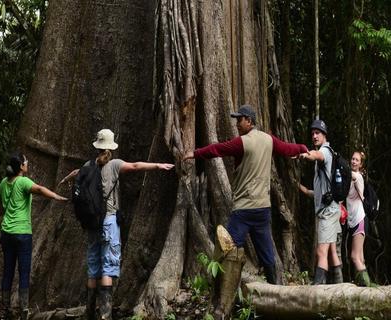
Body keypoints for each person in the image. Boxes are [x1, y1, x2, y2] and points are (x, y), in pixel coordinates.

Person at [182, 104, 308, 319]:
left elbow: (216, 150)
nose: (237, 123)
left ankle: (223, 304)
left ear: (249, 121)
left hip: (243, 210)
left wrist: (193, 154)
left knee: (229, 252)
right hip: (263, 209)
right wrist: (304, 148)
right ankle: (277, 297)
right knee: (267, 255)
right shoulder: (269, 139)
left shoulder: (242, 142)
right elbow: (288, 149)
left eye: (240, 119)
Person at [59, 128, 174, 320]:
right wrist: (157, 165)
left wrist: (66, 179)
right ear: (111, 148)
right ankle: (105, 315)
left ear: (97, 146)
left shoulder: (88, 166)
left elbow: (75, 173)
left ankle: (89, 313)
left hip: (92, 224)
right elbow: (136, 166)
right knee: (108, 266)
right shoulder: (114, 165)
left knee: (93, 266)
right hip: (109, 222)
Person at [0, 152, 68, 319]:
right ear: (21, 166)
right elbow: (39, 189)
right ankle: (24, 311)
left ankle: (5, 310)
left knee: (7, 271)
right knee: (24, 271)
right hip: (22, 233)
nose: (27, 162)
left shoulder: (5, 182)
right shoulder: (22, 181)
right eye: (25, 161)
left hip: (7, 233)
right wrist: (56, 196)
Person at [298, 119, 342, 285]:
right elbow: (317, 192)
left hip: (328, 212)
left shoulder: (325, 151)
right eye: (313, 134)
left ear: (324, 135)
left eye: (318, 133)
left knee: (321, 252)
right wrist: (299, 187)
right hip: (331, 209)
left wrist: (305, 154)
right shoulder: (325, 152)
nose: (315, 136)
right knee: (331, 251)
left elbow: (318, 155)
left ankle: (317, 291)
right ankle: (341, 289)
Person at [346, 151, 371, 286]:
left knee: (354, 257)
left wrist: (338, 165)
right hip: (354, 220)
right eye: (352, 159)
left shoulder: (358, 177)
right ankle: (364, 287)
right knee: (360, 257)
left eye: (357, 160)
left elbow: (353, 176)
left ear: (361, 164)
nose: (354, 162)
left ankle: (368, 288)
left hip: (359, 220)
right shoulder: (350, 178)